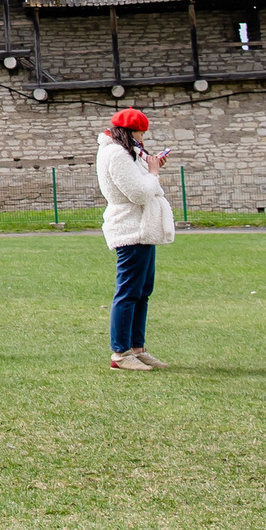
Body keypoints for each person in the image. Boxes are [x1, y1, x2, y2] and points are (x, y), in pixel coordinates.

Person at [96, 108, 176, 371]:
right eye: (140, 134)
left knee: (142, 293)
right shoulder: (116, 154)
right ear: (130, 132)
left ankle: (137, 349)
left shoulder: (128, 153)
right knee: (128, 292)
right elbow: (139, 193)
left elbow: (139, 184)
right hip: (130, 229)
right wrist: (152, 172)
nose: (142, 138)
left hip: (142, 229)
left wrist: (152, 167)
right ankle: (120, 353)